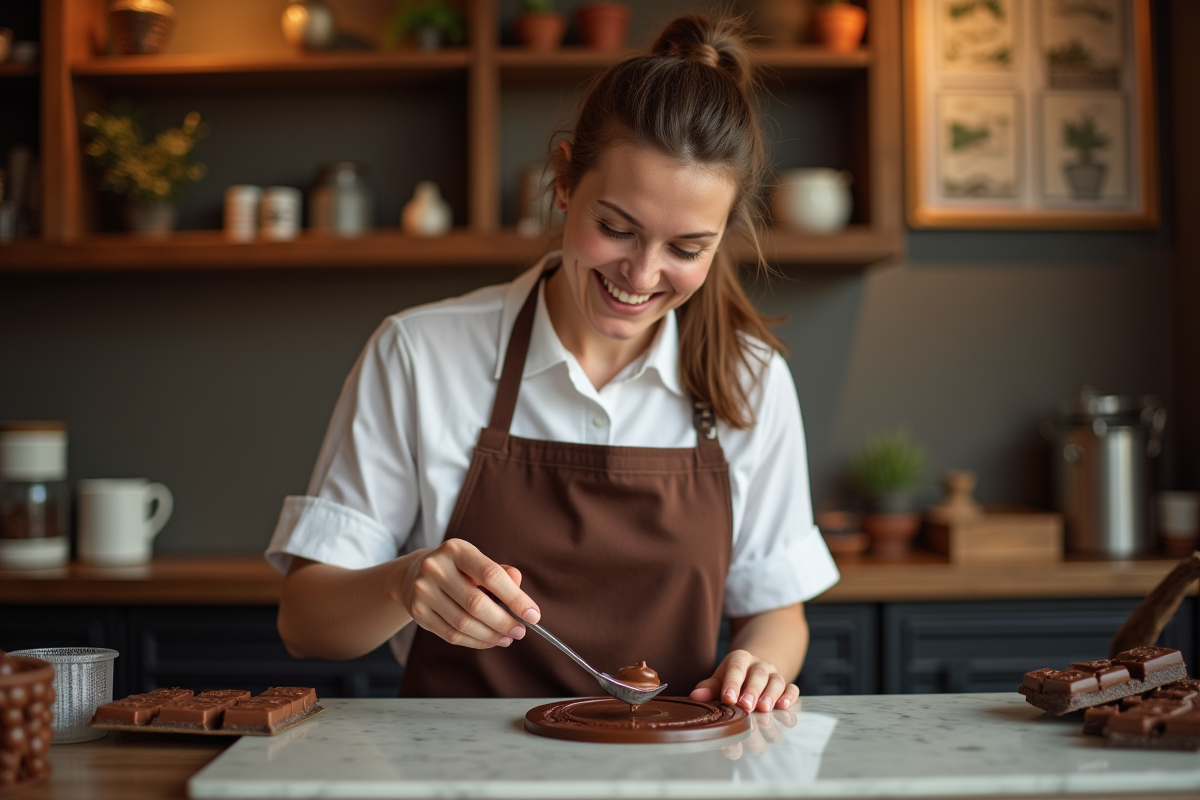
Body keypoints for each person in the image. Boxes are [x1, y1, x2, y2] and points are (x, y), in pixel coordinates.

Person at [267, 14, 838, 714]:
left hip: (672, 775)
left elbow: (777, 612)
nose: (642, 274)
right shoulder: (420, 353)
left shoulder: (749, 380)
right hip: (458, 779)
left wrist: (760, 666)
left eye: (686, 249)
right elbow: (303, 623)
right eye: (616, 228)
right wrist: (402, 583)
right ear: (565, 180)